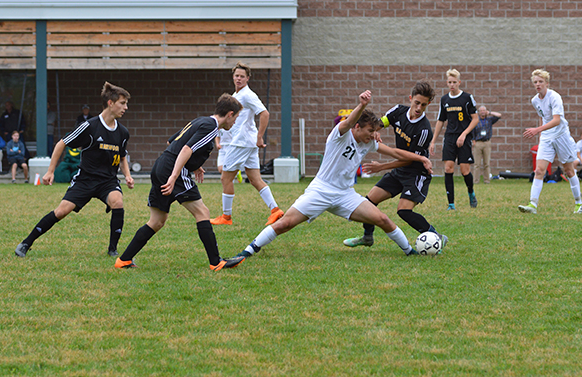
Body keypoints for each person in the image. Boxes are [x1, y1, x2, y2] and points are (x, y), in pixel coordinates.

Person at [235, 91, 433, 264]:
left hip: (345, 195)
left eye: (375, 132)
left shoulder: (368, 142)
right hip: (320, 190)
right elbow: (347, 122)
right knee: (285, 223)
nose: (373, 135)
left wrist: (421, 158)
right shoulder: (340, 135)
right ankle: (250, 249)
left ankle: (409, 251)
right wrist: (362, 104)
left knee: (382, 219)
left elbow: (395, 153)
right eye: (370, 131)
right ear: (357, 127)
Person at [114, 93, 245, 271]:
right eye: (236, 118)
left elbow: (173, 141)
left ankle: (124, 260)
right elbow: (186, 148)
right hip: (171, 170)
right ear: (229, 114)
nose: (235, 122)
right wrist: (174, 176)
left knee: (157, 220)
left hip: (161, 166)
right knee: (202, 212)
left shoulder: (201, 121)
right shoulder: (211, 128)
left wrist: (195, 165)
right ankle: (216, 262)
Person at [15, 82, 134, 258]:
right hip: (85, 180)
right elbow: (61, 143)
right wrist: (50, 171)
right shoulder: (89, 127)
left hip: (107, 181)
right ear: (110, 103)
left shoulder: (123, 132)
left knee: (118, 201)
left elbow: (122, 157)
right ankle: (26, 243)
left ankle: (112, 250)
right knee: (61, 211)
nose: (126, 107)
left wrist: (128, 176)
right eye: (122, 103)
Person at [342, 81, 448, 249]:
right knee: (369, 202)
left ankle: (436, 237)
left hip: (416, 172)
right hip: (400, 170)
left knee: (403, 211)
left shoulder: (424, 130)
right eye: (417, 102)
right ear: (410, 98)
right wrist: (375, 129)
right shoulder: (398, 111)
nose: (419, 107)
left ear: (429, 104)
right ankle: (367, 237)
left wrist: (381, 167)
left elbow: (409, 159)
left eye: (424, 104)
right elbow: (379, 123)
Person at [210, 62, 284, 227]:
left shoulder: (247, 95)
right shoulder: (236, 95)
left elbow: (264, 113)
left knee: (225, 178)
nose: (239, 78)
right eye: (236, 75)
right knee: (255, 179)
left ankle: (226, 217)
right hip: (246, 143)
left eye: (242, 76)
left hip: (241, 143)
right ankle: (275, 210)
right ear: (233, 76)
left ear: (247, 78)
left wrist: (260, 137)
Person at [518, 69, 582, 214]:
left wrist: (537, 130)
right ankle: (532, 204)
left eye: (540, 81)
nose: (538, 84)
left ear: (547, 83)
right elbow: (543, 117)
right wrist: (541, 137)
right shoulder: (534, 100)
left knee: (569, 171)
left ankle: (579, 203)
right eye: (535, 82)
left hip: (561, 135)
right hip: (546, 136)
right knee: (539, 170)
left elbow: (556, 120)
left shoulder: (555, 97)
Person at [430, 69, 479, 210]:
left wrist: (464, 134)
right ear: (447, 83)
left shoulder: (467, 98)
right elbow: (441, 121)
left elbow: (475, 119)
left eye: (454, 82)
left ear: (459, 82)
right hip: (450, 137)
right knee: (448, 168)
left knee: (465, 171)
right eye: (449, 82)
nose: (452, 85)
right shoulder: (444, 100)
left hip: (464, 137)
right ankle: (451, 204)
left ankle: (471, 192)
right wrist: (433, 141)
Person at [472, 106, 502, 184]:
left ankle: (486, 180)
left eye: (484, 110)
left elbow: (499, 115)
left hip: (487, 142)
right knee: (477, 164)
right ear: (478, 112)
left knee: (486, 163)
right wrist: (473, 141)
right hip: (478, 142)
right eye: (481, 110)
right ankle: (476, 181)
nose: (482, 112)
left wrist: (490, 113)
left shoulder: (489, 120)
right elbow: (472, 130)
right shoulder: (476, 120)